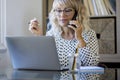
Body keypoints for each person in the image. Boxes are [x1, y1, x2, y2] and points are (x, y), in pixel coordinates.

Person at [29, 0, 100, 79]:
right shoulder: (51, 35)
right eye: (58, 11)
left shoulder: (89, 34)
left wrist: (80, 38)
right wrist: (39, 37)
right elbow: (44, 64)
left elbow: (92, 64)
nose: (62, 15)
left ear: (76, 13)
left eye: (68, 10)